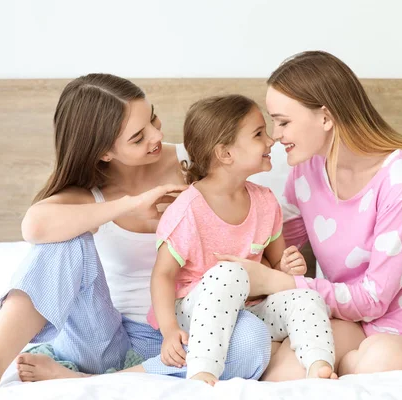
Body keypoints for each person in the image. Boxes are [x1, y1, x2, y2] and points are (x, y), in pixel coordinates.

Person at [0, 73, 271, 387]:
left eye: (153, 119)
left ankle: (88, 380)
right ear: (105, 152)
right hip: (104, 338)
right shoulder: (89, 194)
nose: (155, 136)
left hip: (190, 330)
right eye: (137, 137)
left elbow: (254, 235)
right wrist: (129, 205)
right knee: (64, 239)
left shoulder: (198, 163)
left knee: (252, 342)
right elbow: (34, 226)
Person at [260, 51, 402, 381]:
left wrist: (282, 282)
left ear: (325, 117)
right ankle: (341, 370)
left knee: (379, 361)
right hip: (354, 324)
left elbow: (374, 298)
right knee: (283, 374)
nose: (275, 135)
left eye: (283, 122)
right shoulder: (306, 174)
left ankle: (344, 370)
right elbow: (268, 242)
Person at [142, 94, 336, 386]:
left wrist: (287, 266)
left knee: (306, 296)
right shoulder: (188, 210)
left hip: (249, 308)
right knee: (230, 271)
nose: (271, 141)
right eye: (259, 134)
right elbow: (162, 275)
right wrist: (170, 330)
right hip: (192, 313)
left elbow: (274, 266)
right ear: (225, 153)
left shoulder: (266, 202)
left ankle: (319, 366)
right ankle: (202, 374)